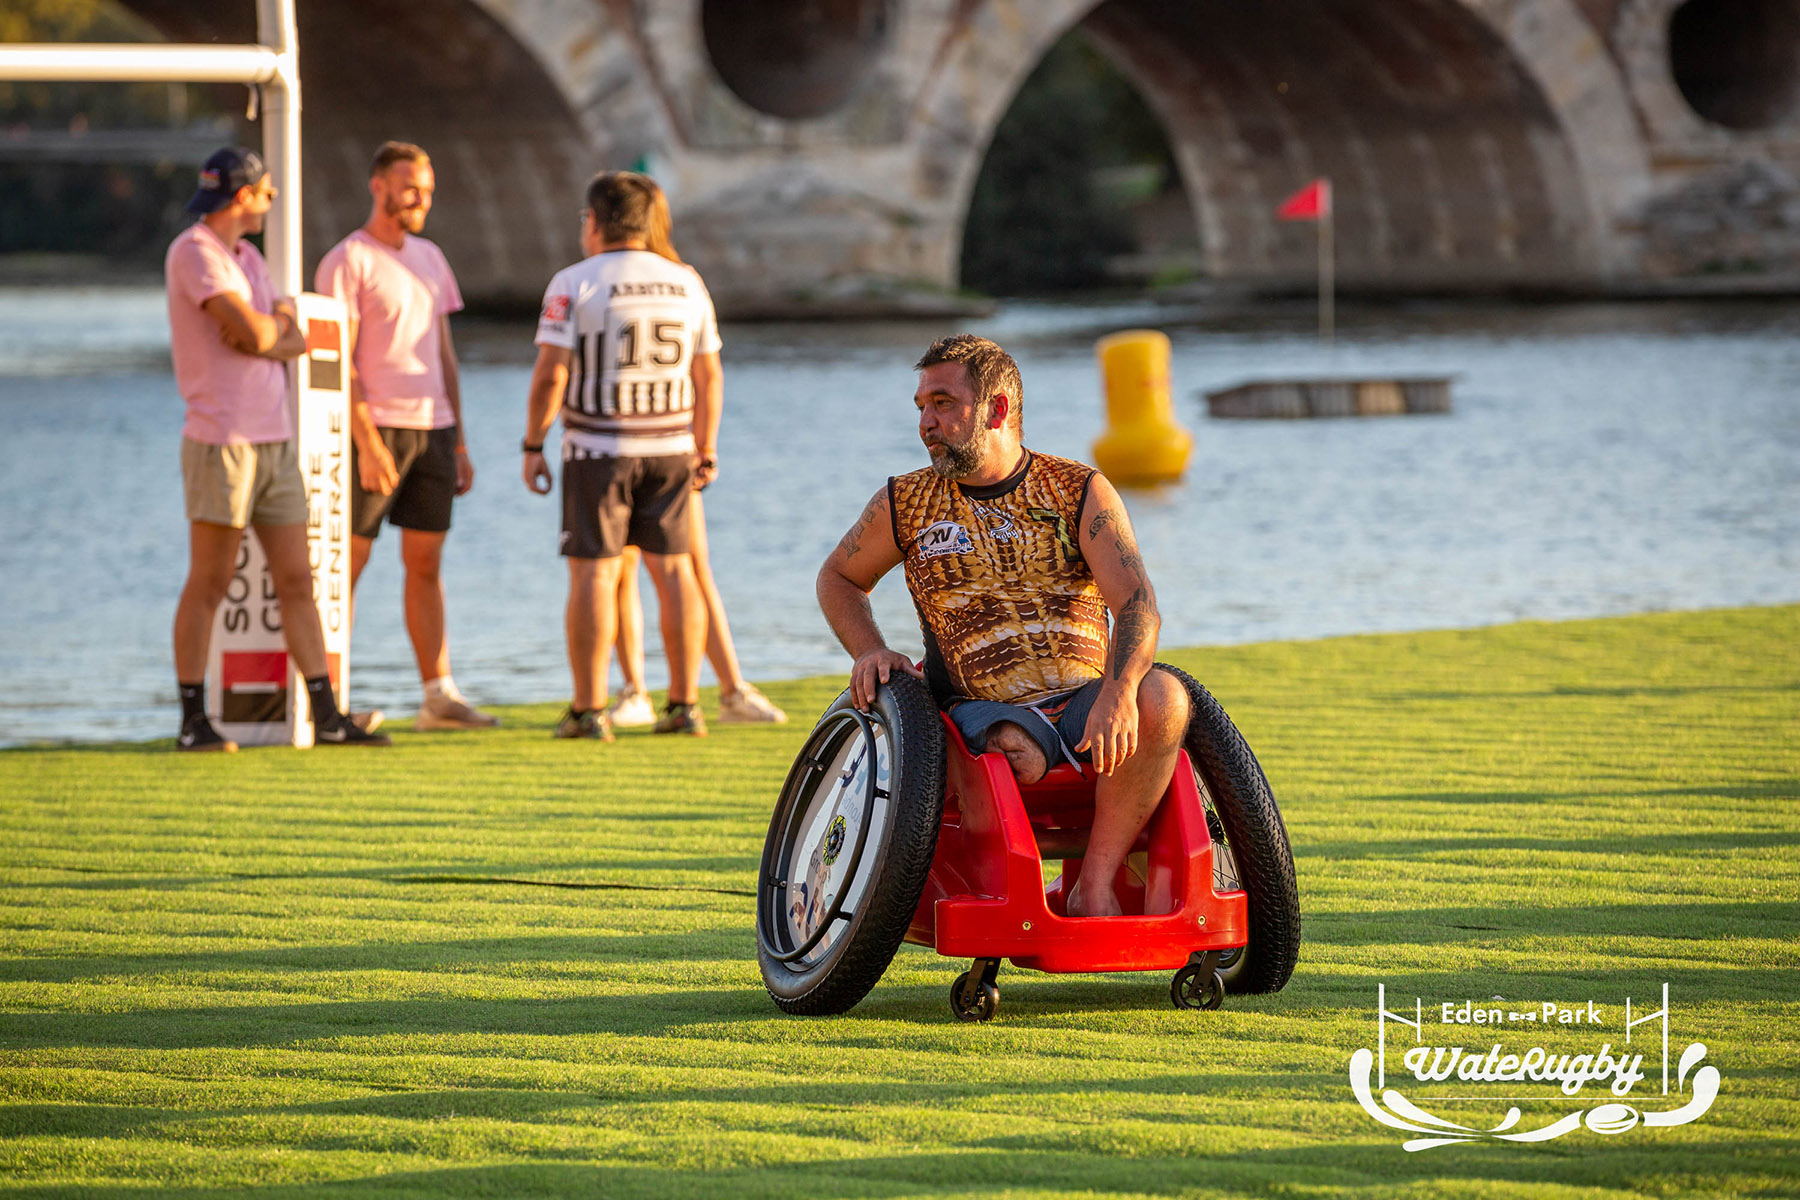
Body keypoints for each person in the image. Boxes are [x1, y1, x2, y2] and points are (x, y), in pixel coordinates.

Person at [816, 334, 1188, 917]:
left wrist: (1119, 693)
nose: (926, 423)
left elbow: (1137, 604)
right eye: (920, 407)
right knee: (1018, 752)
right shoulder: (905, 501)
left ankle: (1094, 885)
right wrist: (869, 651)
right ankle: (1020, 896)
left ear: (997, 408)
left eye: (942, 403)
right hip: (978, 706)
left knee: (1164, 697)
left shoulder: (1077, 489)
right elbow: (837, 578)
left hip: (1085, 695)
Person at [165, 146, 389, 750]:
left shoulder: (248, 257)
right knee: (209, 583)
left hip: (274, 441)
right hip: (221, 443)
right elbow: (263, 330)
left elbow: (280, 333)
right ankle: (192, 720)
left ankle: (327, 715)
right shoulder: (194, 253)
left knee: (299, 578)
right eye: (266, 192)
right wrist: (272, 332)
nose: (272, 200)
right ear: (245, 196)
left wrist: (271, 332)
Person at [522, 171, 721, 739]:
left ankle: (589, 709)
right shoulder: (686, 282)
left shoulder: (573, 282)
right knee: (676, 572)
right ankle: (684, 705)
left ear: (595, 222)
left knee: (592, 575)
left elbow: (550, 375)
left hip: (597, 448)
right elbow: (708, 374)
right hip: (672, 446)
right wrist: (706, 444)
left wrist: (533, 443)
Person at [315, 141, 497, 732]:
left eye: (427, 189)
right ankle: (327, 700)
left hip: (435, 430)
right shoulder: (347, 260)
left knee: (426, 563)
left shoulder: (431, 257)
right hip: (376, 431)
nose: (420, 198)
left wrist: (461, 441)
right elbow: (334, 358)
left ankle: (438, 697)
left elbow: (442, 351)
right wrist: (364, 439)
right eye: (410, 186)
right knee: (349, 563)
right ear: (379, 186)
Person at [603, 181, 786, 728]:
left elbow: (704, 371)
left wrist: (703, 442)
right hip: (654, 442)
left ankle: (719, 687)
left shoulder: (660, 280)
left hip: (657, 444)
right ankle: (647, 690)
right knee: (639, 567)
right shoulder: (651, 280)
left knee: (676, 565)